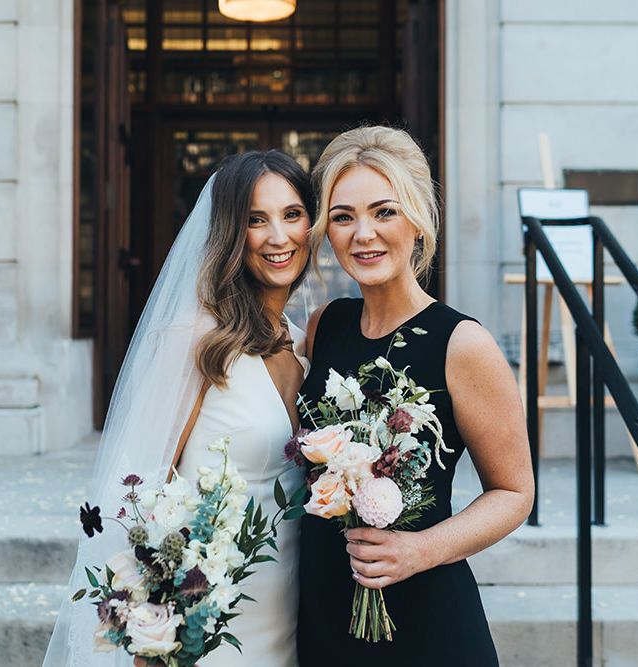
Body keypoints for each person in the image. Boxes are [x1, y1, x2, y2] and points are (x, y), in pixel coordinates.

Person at [44, 150, 314, 667]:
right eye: (255, 220)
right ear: (231, 235)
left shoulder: (305, 346)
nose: (279, 237)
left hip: (294, 614)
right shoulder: (194, 340)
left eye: (292, 214)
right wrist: (148, 632)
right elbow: (137, 498)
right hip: (207, 626)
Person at [297, 126, 534, 666]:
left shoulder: (462, 343)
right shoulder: (324, 326)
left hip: (424, 619)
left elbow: (514, 493)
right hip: (324, 610)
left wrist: (421, 550)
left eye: (384, 211)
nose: (364, 234)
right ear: (326, 233)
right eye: (342, 216)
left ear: (418, 220)